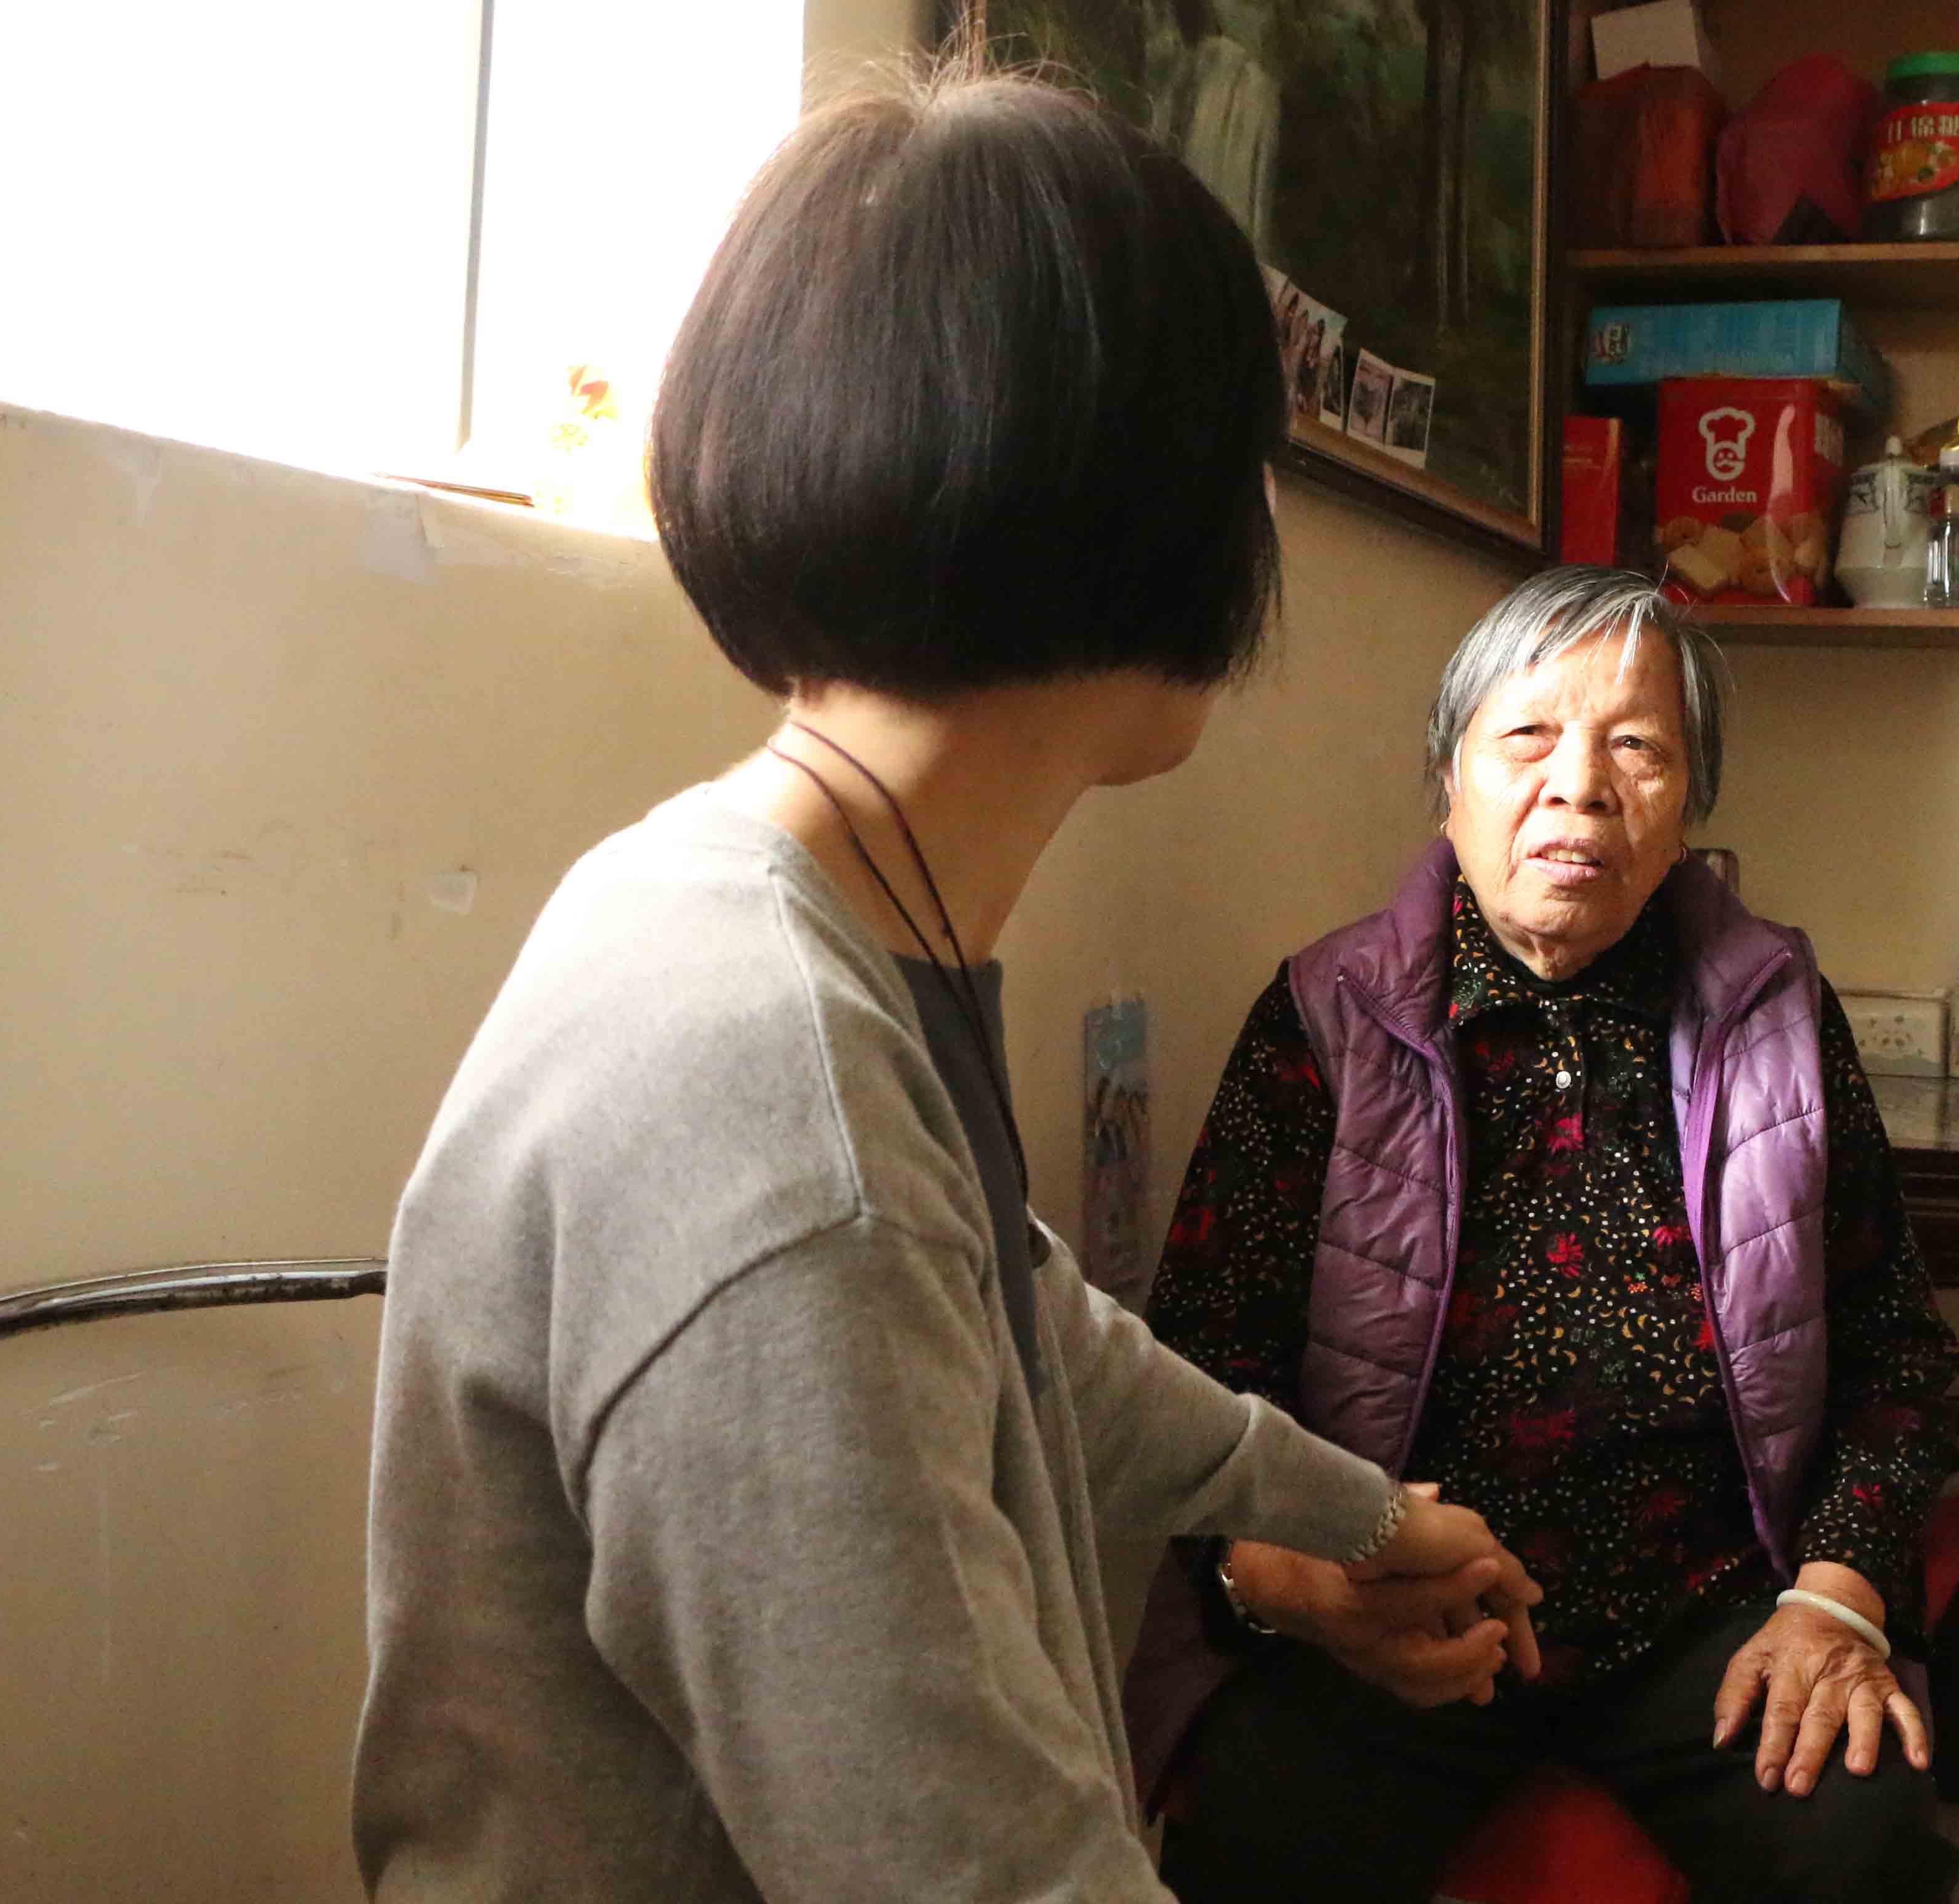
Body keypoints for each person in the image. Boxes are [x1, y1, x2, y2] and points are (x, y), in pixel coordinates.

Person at [350, 57, 1537, 1904]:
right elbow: (964, 1865)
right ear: (1137, 503)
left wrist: (1357, 1513)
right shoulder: (776, 1102)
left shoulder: (752, 900)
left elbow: (1025, 1317)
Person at [1130, 568, 1959, 1904]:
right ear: (1446, 780)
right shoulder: (1326, 1013)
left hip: (1710, 1605)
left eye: (1638, 748)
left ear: (1687, 809)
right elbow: (1197, 1368)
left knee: (1863, 1848)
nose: (1579, 787)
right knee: (1256, 1836)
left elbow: (1894, 1353)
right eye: (1527, 736)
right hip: (1402, 1590)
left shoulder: (1779, 1014)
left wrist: (1834, 1596)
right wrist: (1290, 1579)